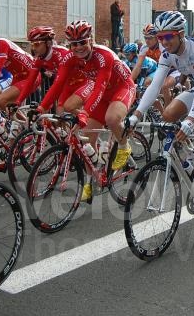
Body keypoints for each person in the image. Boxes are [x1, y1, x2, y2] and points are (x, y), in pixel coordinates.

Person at [127, 11, 194, 228]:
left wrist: (191, 119)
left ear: (180, 34)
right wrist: (135, 116)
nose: (164, 42)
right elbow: (155, 85)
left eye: (169, 37)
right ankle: (193, 159)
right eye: (160, 38)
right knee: (167, 116)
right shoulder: (167, 55)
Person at [37, 20, 135, 201]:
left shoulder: (103, 55)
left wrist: (84, 113)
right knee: (86, 142)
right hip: (103, 94)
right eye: (74, 44)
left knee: (112, 118)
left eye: (82, 42)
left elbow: (99, 87)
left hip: (122, 88)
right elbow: (58, 85)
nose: (78, 47)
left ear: (91, 40)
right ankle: (90, 181)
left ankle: (124, 145)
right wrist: (41, 107)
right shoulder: (70, 58)